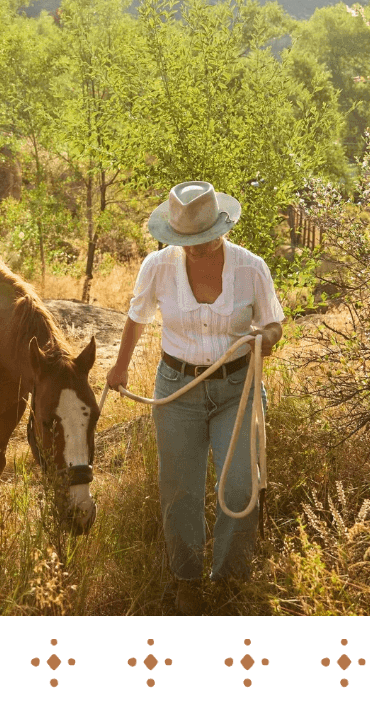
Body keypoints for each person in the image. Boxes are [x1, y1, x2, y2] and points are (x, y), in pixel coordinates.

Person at [104, 181, 284, 616]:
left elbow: (275, 325)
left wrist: (264, 338)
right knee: (179, 490)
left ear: (221, 228)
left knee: (239, 486)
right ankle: (187, 581)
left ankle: (229, 580)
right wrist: (120, 366)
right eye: (186, 242)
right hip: (176, 389)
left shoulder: (250, 268)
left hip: (236, 389)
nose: (195, 250)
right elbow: (137, 316)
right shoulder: (158, 266)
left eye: (203, 241)